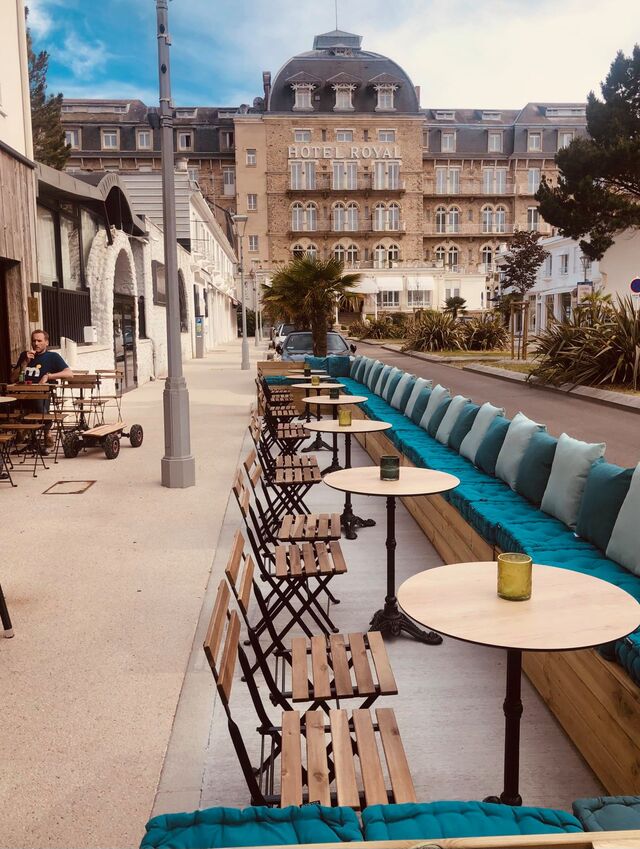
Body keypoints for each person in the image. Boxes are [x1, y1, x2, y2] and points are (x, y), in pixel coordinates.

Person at [11, 330, 73, 448]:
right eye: (34, 341)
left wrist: (49, 376)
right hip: (23, 392)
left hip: (41, 393)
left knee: (38, 399)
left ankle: (45, 431)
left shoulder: (52, 357)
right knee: (8, 402)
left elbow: (69, 373)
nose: (36, 343)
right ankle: (25, 429)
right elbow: (12, 378)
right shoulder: (25, 355)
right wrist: (25, 363)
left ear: (46, 342)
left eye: (39, 341)